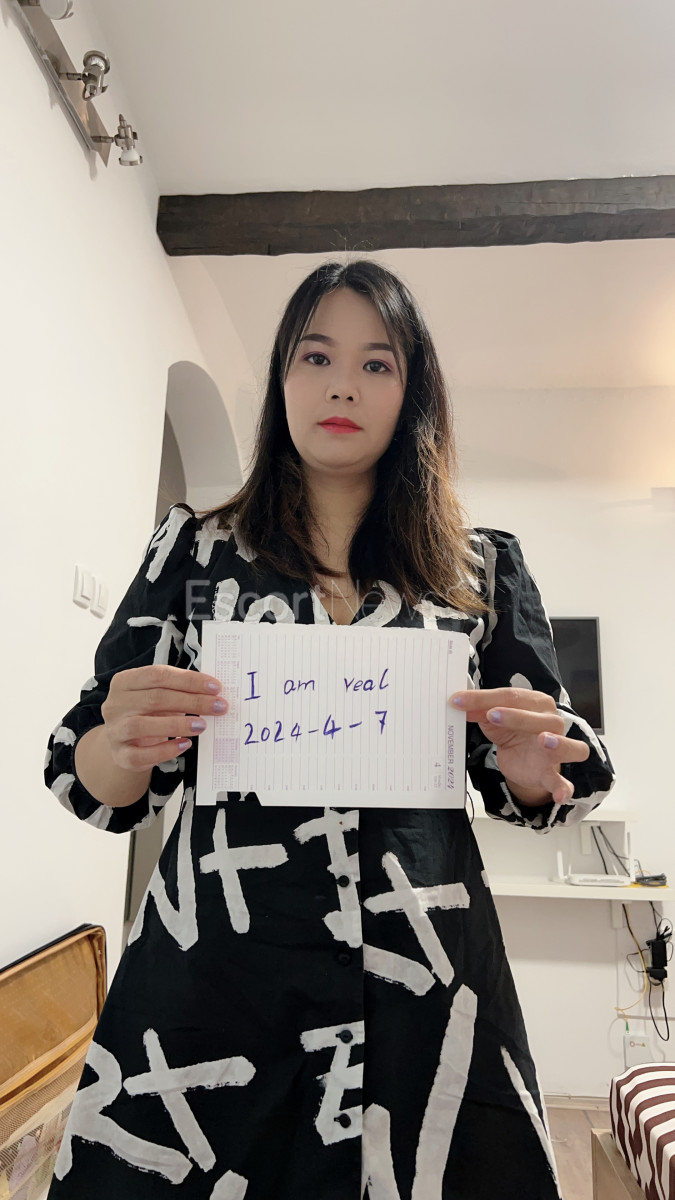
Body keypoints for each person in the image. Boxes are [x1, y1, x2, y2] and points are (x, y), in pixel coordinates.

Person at [44, 258, 615, 1200]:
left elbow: (564, 775)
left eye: (375, 363)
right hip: (216, 984)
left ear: (411, 392)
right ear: (281, 378)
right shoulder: (195, 551)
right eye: (315, 356)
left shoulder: (479, 569)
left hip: (424, 980)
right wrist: (121, 741)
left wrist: (529, 763)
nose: (342, 384)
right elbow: (87, 777)